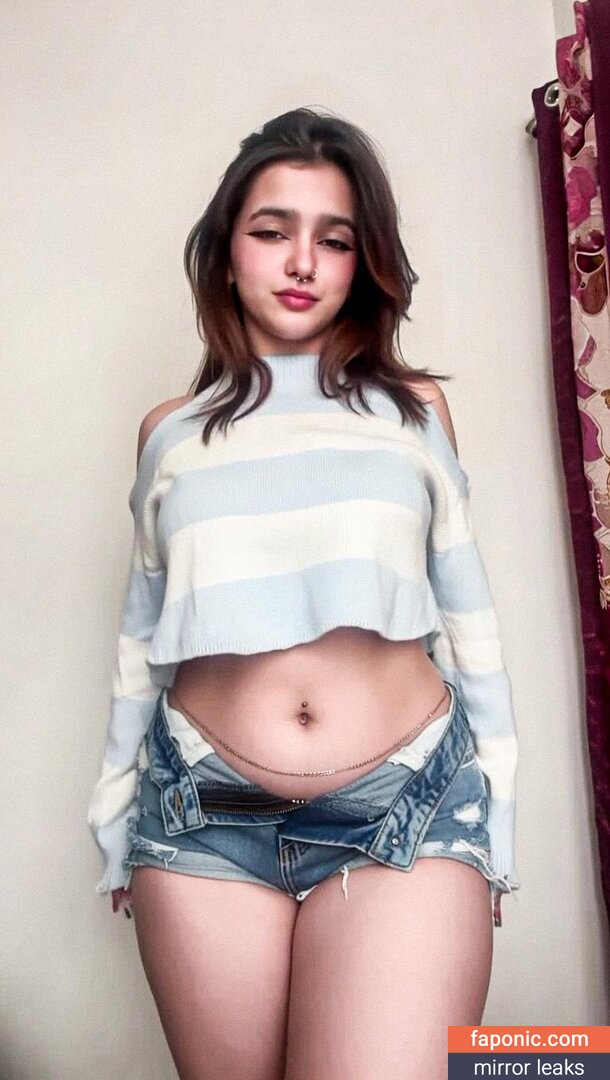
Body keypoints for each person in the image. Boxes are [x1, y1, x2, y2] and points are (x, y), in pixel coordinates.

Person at [87, 107, 520, 1080]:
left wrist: (499, 813)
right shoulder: (169, 432)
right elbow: (139, 638)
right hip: (200, 819)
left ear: (363, 264)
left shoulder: (414, 412)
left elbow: (469, 621)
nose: (300, 262)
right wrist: (112, 816)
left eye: (333, 239)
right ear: (225, 254)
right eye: (271, 230)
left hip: (405, 804)